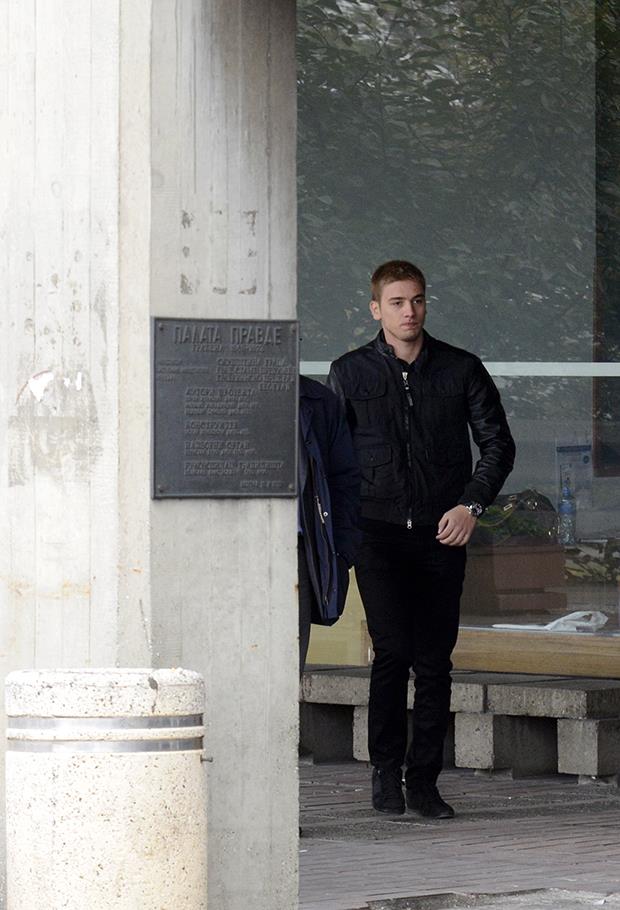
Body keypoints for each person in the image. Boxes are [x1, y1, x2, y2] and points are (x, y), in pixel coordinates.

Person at [327, 260, 515, 818]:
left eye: (417, 300)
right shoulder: (349, 372)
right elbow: (333, 458)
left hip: (443, 532)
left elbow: (498, 444)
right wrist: (341, 531)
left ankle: (425, 781)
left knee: (434, 661)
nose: (409, 312)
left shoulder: (460, 368)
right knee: (393, 652)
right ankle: (385, 773)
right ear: (376, 309)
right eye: (397, 302)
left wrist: (471, 504)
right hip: (377, 534)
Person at [298, 376, 360, 674]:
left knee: (287, 669)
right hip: (223, 551)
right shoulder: (213, 393)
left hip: (299, 551)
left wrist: (341, 554)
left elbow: (344, 482)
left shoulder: (319, 400)